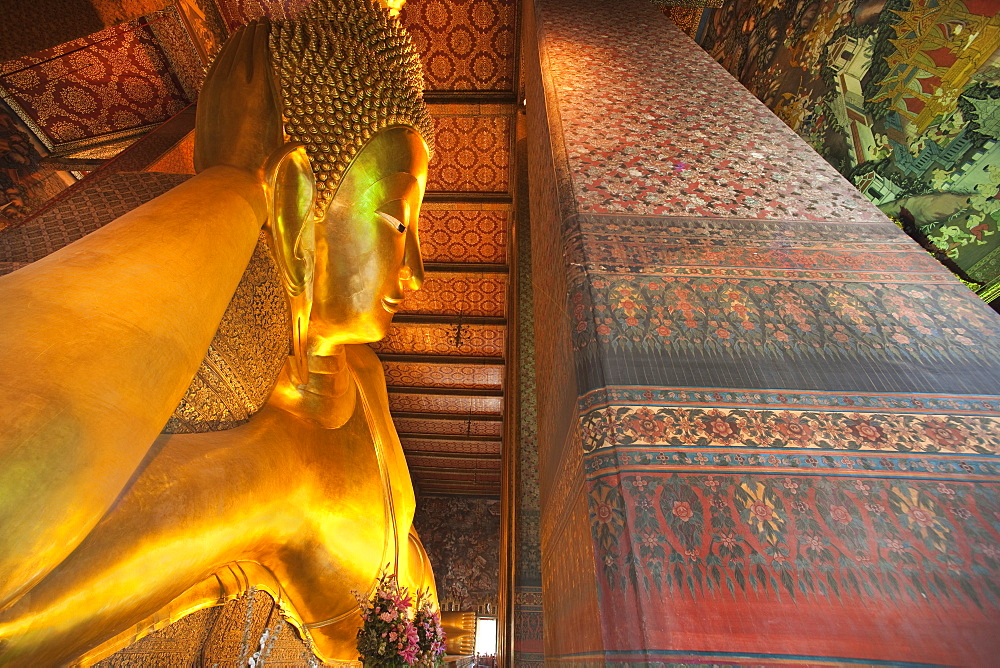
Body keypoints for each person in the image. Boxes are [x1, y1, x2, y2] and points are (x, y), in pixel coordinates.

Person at [0, 1, 437, 664]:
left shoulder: (367, 378)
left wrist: (422, 621)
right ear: (296, 206)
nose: (415, 274)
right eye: (400, 225)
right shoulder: (275, 470)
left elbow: (405, 568)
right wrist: (233, 189)